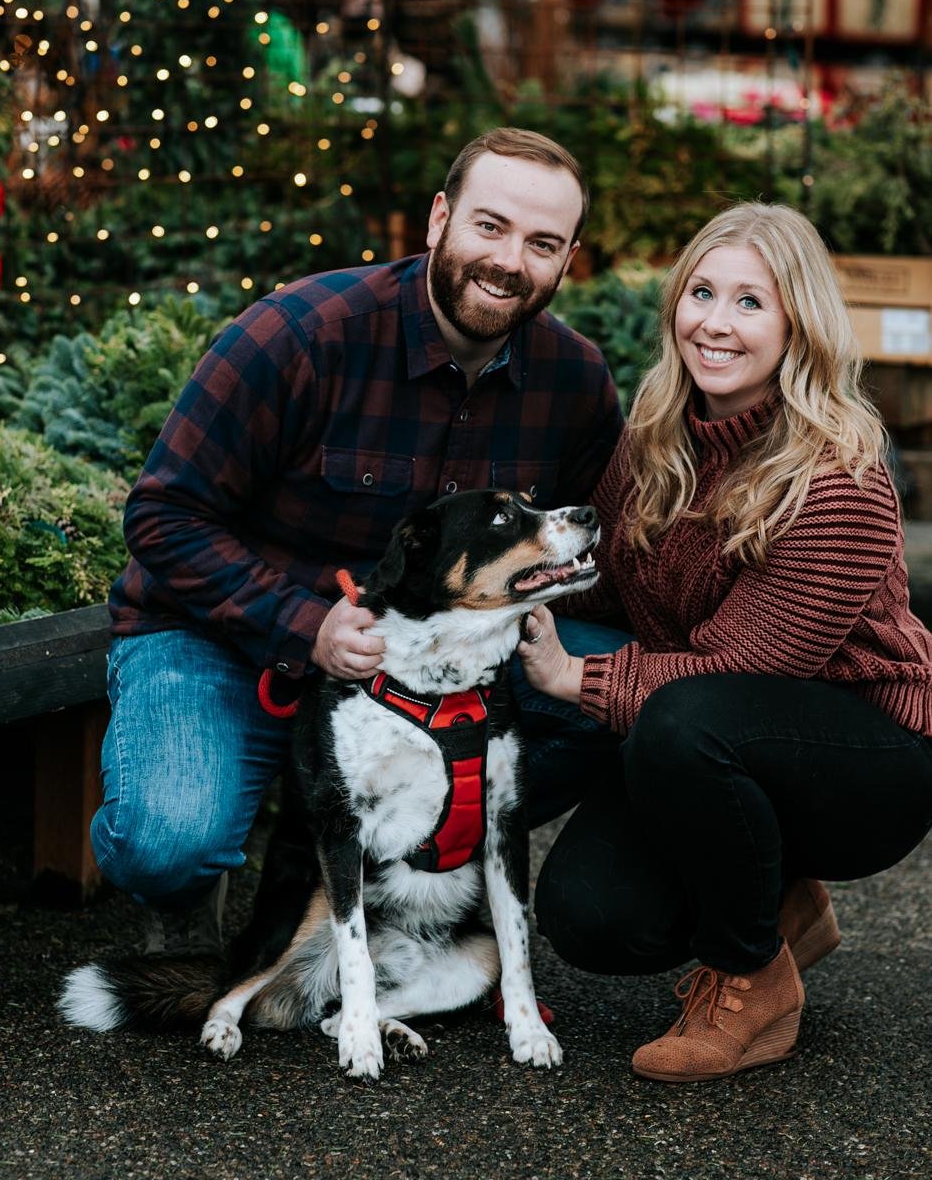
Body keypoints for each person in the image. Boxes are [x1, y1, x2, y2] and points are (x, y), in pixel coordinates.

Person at [96, 127, 626, 954]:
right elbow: (163, 516)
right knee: (167, 841)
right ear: (438, 218)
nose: (509, 261)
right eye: (489, 227)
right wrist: (306, 624)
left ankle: (409, 854)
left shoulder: (573, 382)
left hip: (434, 663)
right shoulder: (301, 334)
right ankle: (211, 869)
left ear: (567, 260)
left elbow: (594, 546)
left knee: (614, 698)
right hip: (230, 641)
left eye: (542, 243)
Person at [518, 201, 932, 1084]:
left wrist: (571, 677)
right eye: (702, 292)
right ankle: (778, 897)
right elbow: (623, 597)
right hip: (715, 728)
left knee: (682, 718)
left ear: (798, 324)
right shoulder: (652, 443)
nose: (715, 322)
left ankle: (752, 977)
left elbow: (742, 669)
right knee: (592, 915)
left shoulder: (836, 478)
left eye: (750, 302)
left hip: (867, 754)